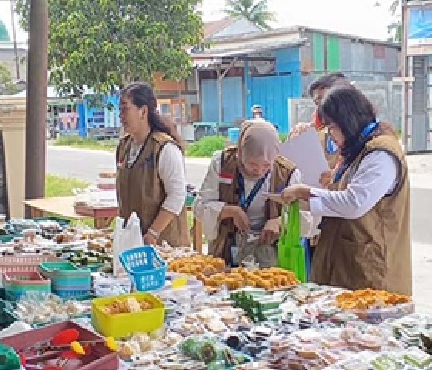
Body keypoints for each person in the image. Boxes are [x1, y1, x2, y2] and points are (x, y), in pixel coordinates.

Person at [280, 86, 412, 295]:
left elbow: (354, 203)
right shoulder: (359, 148)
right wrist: (331, 184)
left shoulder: (381, 154)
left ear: (347, 121)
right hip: (345, 262)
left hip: (371, 269)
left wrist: (306, 192)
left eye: (331, 127)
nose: (329, 134)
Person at [194, 120, 314, 267]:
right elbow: (199, 207)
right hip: (226, 249)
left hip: (271, 255)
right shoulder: (222, 162)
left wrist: (279, 222)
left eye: (266, 165)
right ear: (240, 153)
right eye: (252, 164)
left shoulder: (288, 172)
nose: (258, 170)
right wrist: (230, 211)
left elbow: (306, 219)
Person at [115, 82, 190, 247]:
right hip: (135, 242)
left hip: (165, 245)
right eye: (120, 110)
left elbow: (177, 195)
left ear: (143, 111)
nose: (121, 116)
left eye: (125, 109)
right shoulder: (124, 147)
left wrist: (153, 233)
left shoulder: (165, 148)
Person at [288, 72, 349, 188]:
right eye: (317, 103)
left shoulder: (368, 136)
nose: (322, 107)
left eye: (327, 100)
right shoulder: (316, 132)